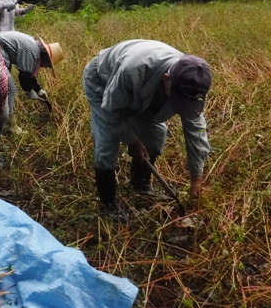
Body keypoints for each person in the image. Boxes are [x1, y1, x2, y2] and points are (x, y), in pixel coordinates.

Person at [82, 39, 212, 218]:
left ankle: (140, 183)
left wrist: (196, 177)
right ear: (167, 79)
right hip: (102, 82)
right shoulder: (133, 70)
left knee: (157, 135)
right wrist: (133, 141)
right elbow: (111, 110)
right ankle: (108, 204)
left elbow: (196, 129)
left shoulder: (192, 80)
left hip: (142, 96)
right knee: (107, 143)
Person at [0, 26, 63, 134]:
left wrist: (38, 90)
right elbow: (24, 76)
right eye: (48, 65)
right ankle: (8, 124)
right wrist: (30, 91)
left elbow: (30, 73)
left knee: (3, 87)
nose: (46, 67)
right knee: (9, 87)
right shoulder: (32, 51)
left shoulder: (35, 49)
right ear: (46, 59)